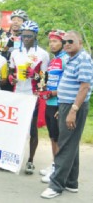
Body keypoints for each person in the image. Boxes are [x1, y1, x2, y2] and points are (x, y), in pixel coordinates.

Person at [41, 30, 93, 199]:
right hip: (65, 106)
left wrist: (73, 110)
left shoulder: (83, 59)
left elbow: (84, 87)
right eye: (65, 42)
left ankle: (56, 185)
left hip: (74, 107)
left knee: (64, 145)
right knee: (71, 144)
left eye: (71, 41)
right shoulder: (72, 58)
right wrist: (62, 109)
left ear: (80, 43)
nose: (67, 44)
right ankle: (71, 182)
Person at [8, 20, 49, 174]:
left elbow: (45, 79)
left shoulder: (42, 54)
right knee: (15, 127)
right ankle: (14, 157)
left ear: (35, 36)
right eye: (23, 35)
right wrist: (12, 79)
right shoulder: (15, 52)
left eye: (29, 36)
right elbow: (11, 73)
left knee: (32, 129)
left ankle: (30, 160)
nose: (26, 38)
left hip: (32, 95)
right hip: (17, 93)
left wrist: (35, 75)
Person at [39, 29, 68, 183]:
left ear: (63, 43)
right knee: (52, 137)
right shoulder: (53, 60)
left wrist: (54, 93)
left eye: (55, 41)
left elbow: (68, 83)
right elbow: (49, 80)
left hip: (59, 103)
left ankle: (59, 169)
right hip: (50, 102)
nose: (52, 44)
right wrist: (42, 89)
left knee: (59, 138)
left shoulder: (65, 59)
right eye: (50, 41)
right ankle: (54, 164)